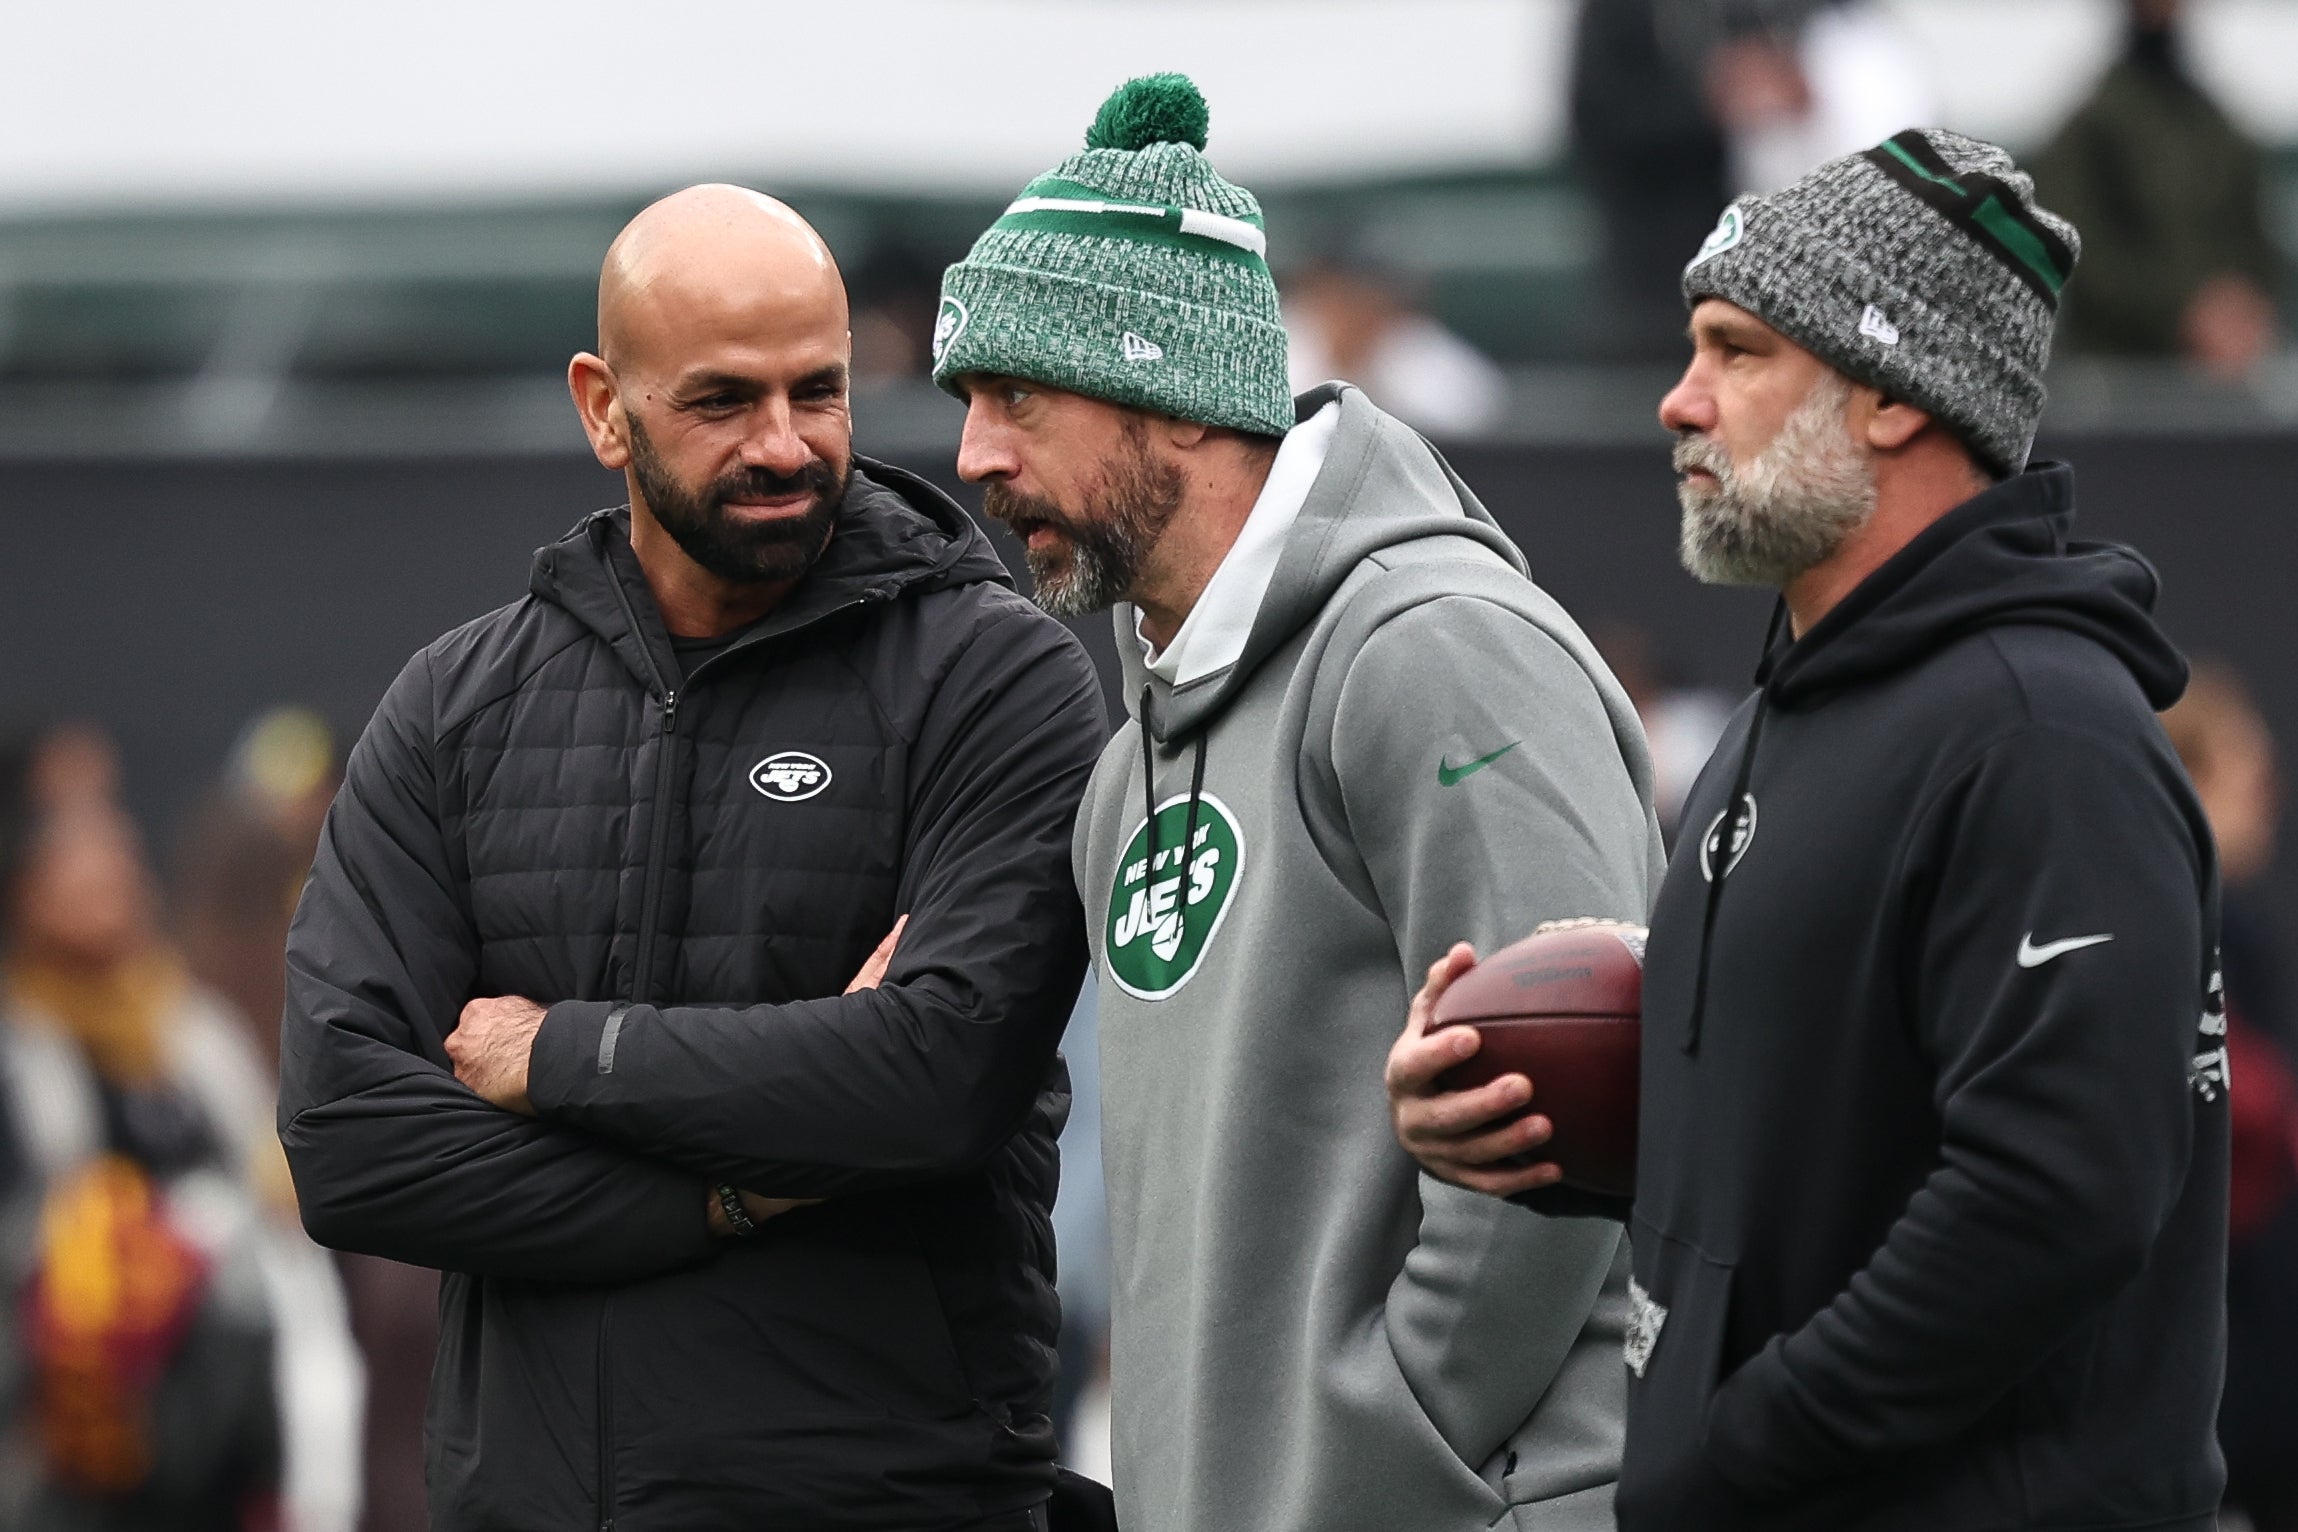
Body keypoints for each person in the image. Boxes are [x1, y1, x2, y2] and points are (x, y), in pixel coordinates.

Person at [1390, 130, 2229, 1529]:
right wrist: (1533, 1120)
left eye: (1733, 350)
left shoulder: (2041, 736)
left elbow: (2052, 1203)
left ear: (1890, 394)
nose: (1676, 400)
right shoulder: (1791, 713)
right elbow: (1830, 1145)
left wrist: (1732, 1453)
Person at [277, 185, 1107, 1532]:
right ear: (603, 406)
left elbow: (938, 1081)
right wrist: (742, 1187)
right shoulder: (456, 705)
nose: (784, 445)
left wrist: (561, 1059)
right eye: (723, 401)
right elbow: (350, 1144)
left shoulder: (994, 674)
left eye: (819, 393)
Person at [934, 74, 1664, 1532]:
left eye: (1017, 395)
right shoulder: (1125, 756)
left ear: (1176, 399)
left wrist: (1385, 1443)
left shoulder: (1436, 653)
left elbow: (1573, 1114)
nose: (971, 456)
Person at [2163, 662, 2298, 1532]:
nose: (2270, 798)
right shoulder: (2209, 920)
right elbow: (2250, 1132)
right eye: (2250, 774)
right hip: (2221, 1354)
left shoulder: (2225, 919)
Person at [2033, 0, 2282, 378]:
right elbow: (2078, 255)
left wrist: (2242, 310)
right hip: (2122, 383)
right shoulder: (2093, 127)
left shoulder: (2216, 126)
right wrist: (2185, 316)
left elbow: (2255, 242)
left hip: (2222, 383)